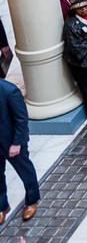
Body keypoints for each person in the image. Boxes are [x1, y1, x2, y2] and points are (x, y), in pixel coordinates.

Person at [0, 78, 38, 224]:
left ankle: (31, 200)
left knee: (25, 171)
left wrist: (17, 143)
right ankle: (2, 206)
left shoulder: (9, 91)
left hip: (12, 143)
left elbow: (21, 120)